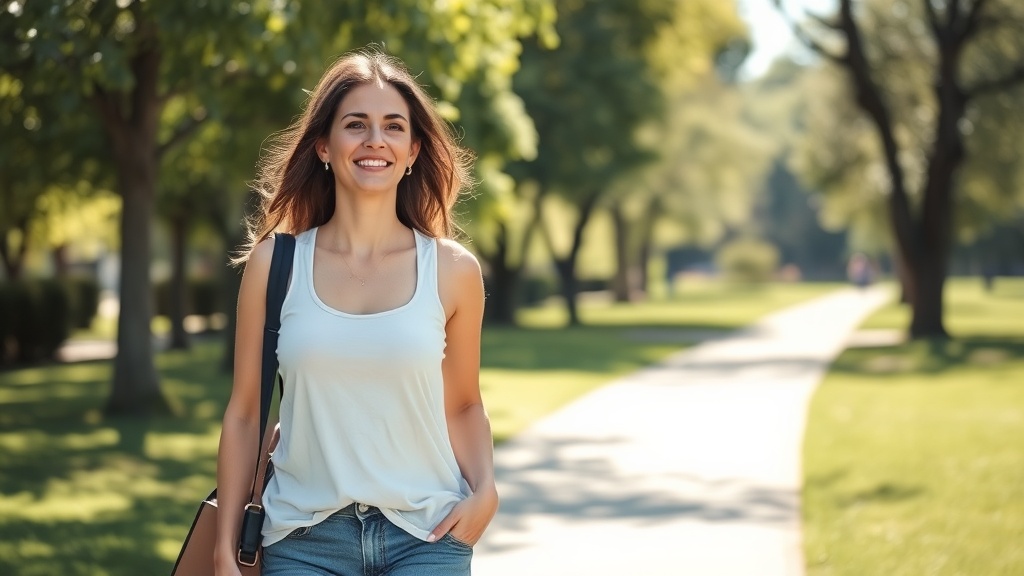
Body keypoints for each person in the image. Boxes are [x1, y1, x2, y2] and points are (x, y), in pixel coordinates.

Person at [214, 49, 497, 576]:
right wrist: (223, 544)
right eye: (355, 125)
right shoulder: (275, 265)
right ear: (323, 145)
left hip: (427, 536)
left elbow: (463, 405)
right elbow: (245, 414)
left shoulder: (453, 271)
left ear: (413, 151)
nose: (375, 141)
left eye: (393, 126)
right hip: (303, 540)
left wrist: (486, 490)